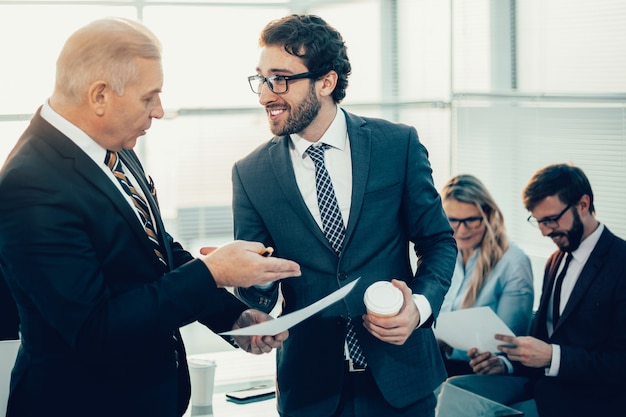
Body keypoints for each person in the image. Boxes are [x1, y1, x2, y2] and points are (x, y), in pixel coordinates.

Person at [0, 17, 301, 417]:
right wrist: (213, 272)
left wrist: (235, 316)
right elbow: (96, 330)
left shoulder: (113, 146)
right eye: (149, 97)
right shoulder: (30, 186)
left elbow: (156, 251)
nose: (159, 111)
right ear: (100, 96)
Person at [232, 14, 457, 417]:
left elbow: (437, 241)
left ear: (326, 82)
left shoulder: (396, 144)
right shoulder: (250, 174)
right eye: (262, 80)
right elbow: (258, 289)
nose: (267, 95)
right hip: (311, 391)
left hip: (405, 380)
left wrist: (419, 308)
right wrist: (249, 289)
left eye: (280, 79)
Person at [444, 163, 626, 417]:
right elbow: (538, 341)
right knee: (455, 389)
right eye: (538, 221)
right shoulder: (556, 260)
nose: (544, 231)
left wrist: (553, 357)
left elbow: (620, 363)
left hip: (590, 396)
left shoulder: (620, 263)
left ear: (583, 205)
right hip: (541, 384)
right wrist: (504, 364)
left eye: (551, 220)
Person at [437, 174, 534, 376]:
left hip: (482, 372)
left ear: (488, 215)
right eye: (452, 220)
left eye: (471, 220)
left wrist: (498, 361)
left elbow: (511, 343)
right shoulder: (442, 254)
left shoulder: (513, 263)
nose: (461, 231)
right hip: (439, 362)